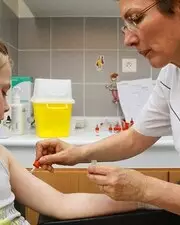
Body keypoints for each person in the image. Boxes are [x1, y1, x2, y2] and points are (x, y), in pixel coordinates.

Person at [36, 0, 180, 216]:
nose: (128, 40)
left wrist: (145, 189)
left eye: (136, 18)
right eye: (126, 27)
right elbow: (135, 137)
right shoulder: (171, 74)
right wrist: (76, 154)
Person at [0, 40, 150, 225]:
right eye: (2, 93)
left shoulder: (2, 156)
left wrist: (145, 199)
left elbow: (61, 203)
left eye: (5, 93)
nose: (7, 107)